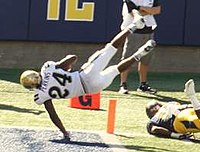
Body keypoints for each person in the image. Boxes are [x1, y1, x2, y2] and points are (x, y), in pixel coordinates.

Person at [20, 17, 156, 141]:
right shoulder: (47, 68)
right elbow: (72, 58)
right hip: (85, 75)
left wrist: (65, 132)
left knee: (115, 70)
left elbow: (53, 115)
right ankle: (133, 26)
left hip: (92, 89)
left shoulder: (41, 96)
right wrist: (65, 68)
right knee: (110, 49)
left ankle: (138, 54)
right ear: (35, 74)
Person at [119, 0, 161, 94]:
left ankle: (143, 85)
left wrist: (141, 8)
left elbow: (157, 10)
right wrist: (148, 11)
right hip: (133, 29)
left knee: (146, 59)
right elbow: (133, 12)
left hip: (149, 29)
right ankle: (123, 84)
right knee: (127, 58)